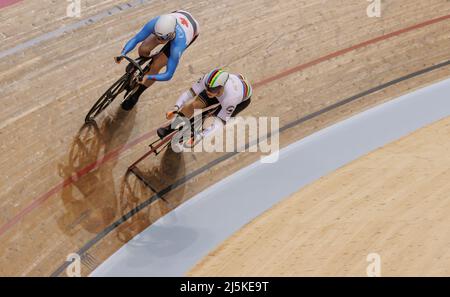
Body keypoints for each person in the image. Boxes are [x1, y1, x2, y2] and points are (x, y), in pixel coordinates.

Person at [115, 10, 200, 111]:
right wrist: (123, 53)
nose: (158, 41)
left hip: (191, 31)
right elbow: (136, 38)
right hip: (178, 16)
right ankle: (143, 62)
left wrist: (148, 77)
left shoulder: (178, 46)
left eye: (161, 39)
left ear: (169, 35)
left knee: (157, 65)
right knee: (143, 49)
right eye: (157, 36)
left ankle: (137, 94)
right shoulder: (156, 23)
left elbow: (168, 74)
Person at [157, 68, 253, 146]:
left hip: (240, 100)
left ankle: (193, 132)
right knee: (194, 105)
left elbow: (219, 124)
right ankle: (170, 127)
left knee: (208, 122)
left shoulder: (231, 99)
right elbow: (189, 94)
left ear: (221, 87)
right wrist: (176, 108)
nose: (208, 91)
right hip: (225, 90)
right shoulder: (208, 80)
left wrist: (201, 136)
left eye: (211, 89)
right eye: (207, 87)